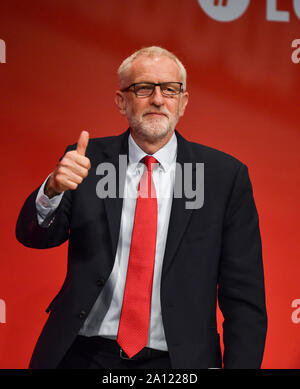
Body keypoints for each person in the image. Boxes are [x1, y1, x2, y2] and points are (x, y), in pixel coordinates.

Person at [16, 46, 267, 369]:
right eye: (144, 88)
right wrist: (52, 188)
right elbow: (34, 236)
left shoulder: (223, 176)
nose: (158, 99)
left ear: (183, 102)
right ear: (122, 101)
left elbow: (244, 298)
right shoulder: (86, 161)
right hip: (84, 355)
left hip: (179, 362)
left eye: (170, 89)